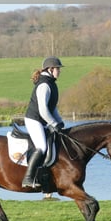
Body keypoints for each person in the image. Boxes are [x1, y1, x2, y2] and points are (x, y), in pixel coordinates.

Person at [22, 56, 65, 188]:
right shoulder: (44, 85)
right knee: (42, 146)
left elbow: (52, 107)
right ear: (51, 69)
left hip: (42, 120)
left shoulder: (51, 83)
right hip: (34, 119)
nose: (60, 71)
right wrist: (53, 123)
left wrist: (59, 121)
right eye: (58, 69)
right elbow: (43, 110)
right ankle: (28, 178)